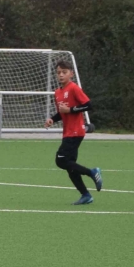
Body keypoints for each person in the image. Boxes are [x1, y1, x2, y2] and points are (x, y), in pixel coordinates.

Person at [48, 59, 103, 205]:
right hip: (68, 132)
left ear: (71, 74)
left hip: (76, 131)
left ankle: (92, 172)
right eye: (58, 72)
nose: (61, 75)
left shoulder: (73, 88)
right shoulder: (57, 92)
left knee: (61, 161)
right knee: (70, 166)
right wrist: (52, 119)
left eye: (64, 72)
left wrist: (71, 109)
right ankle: (86, 195)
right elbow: (62, 112)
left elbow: (88, 105)